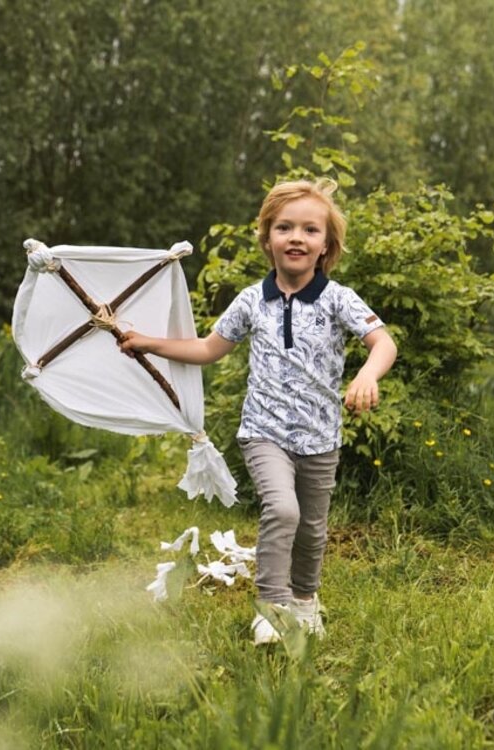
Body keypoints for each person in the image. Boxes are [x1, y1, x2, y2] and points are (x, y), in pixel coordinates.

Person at [120, 179, 397, 645]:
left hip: (321, 438)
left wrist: (368, 375)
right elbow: (209, 348)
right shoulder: (252, 300)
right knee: (283, 510)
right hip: (263, 433)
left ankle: (305, 603)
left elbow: (383, 342)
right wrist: (147, 342)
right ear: (267, 238)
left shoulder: (338, 299)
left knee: (311, 530)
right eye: (284, 227)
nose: (296, 237)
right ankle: (271, 607)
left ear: (326, 244)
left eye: (310, 229)